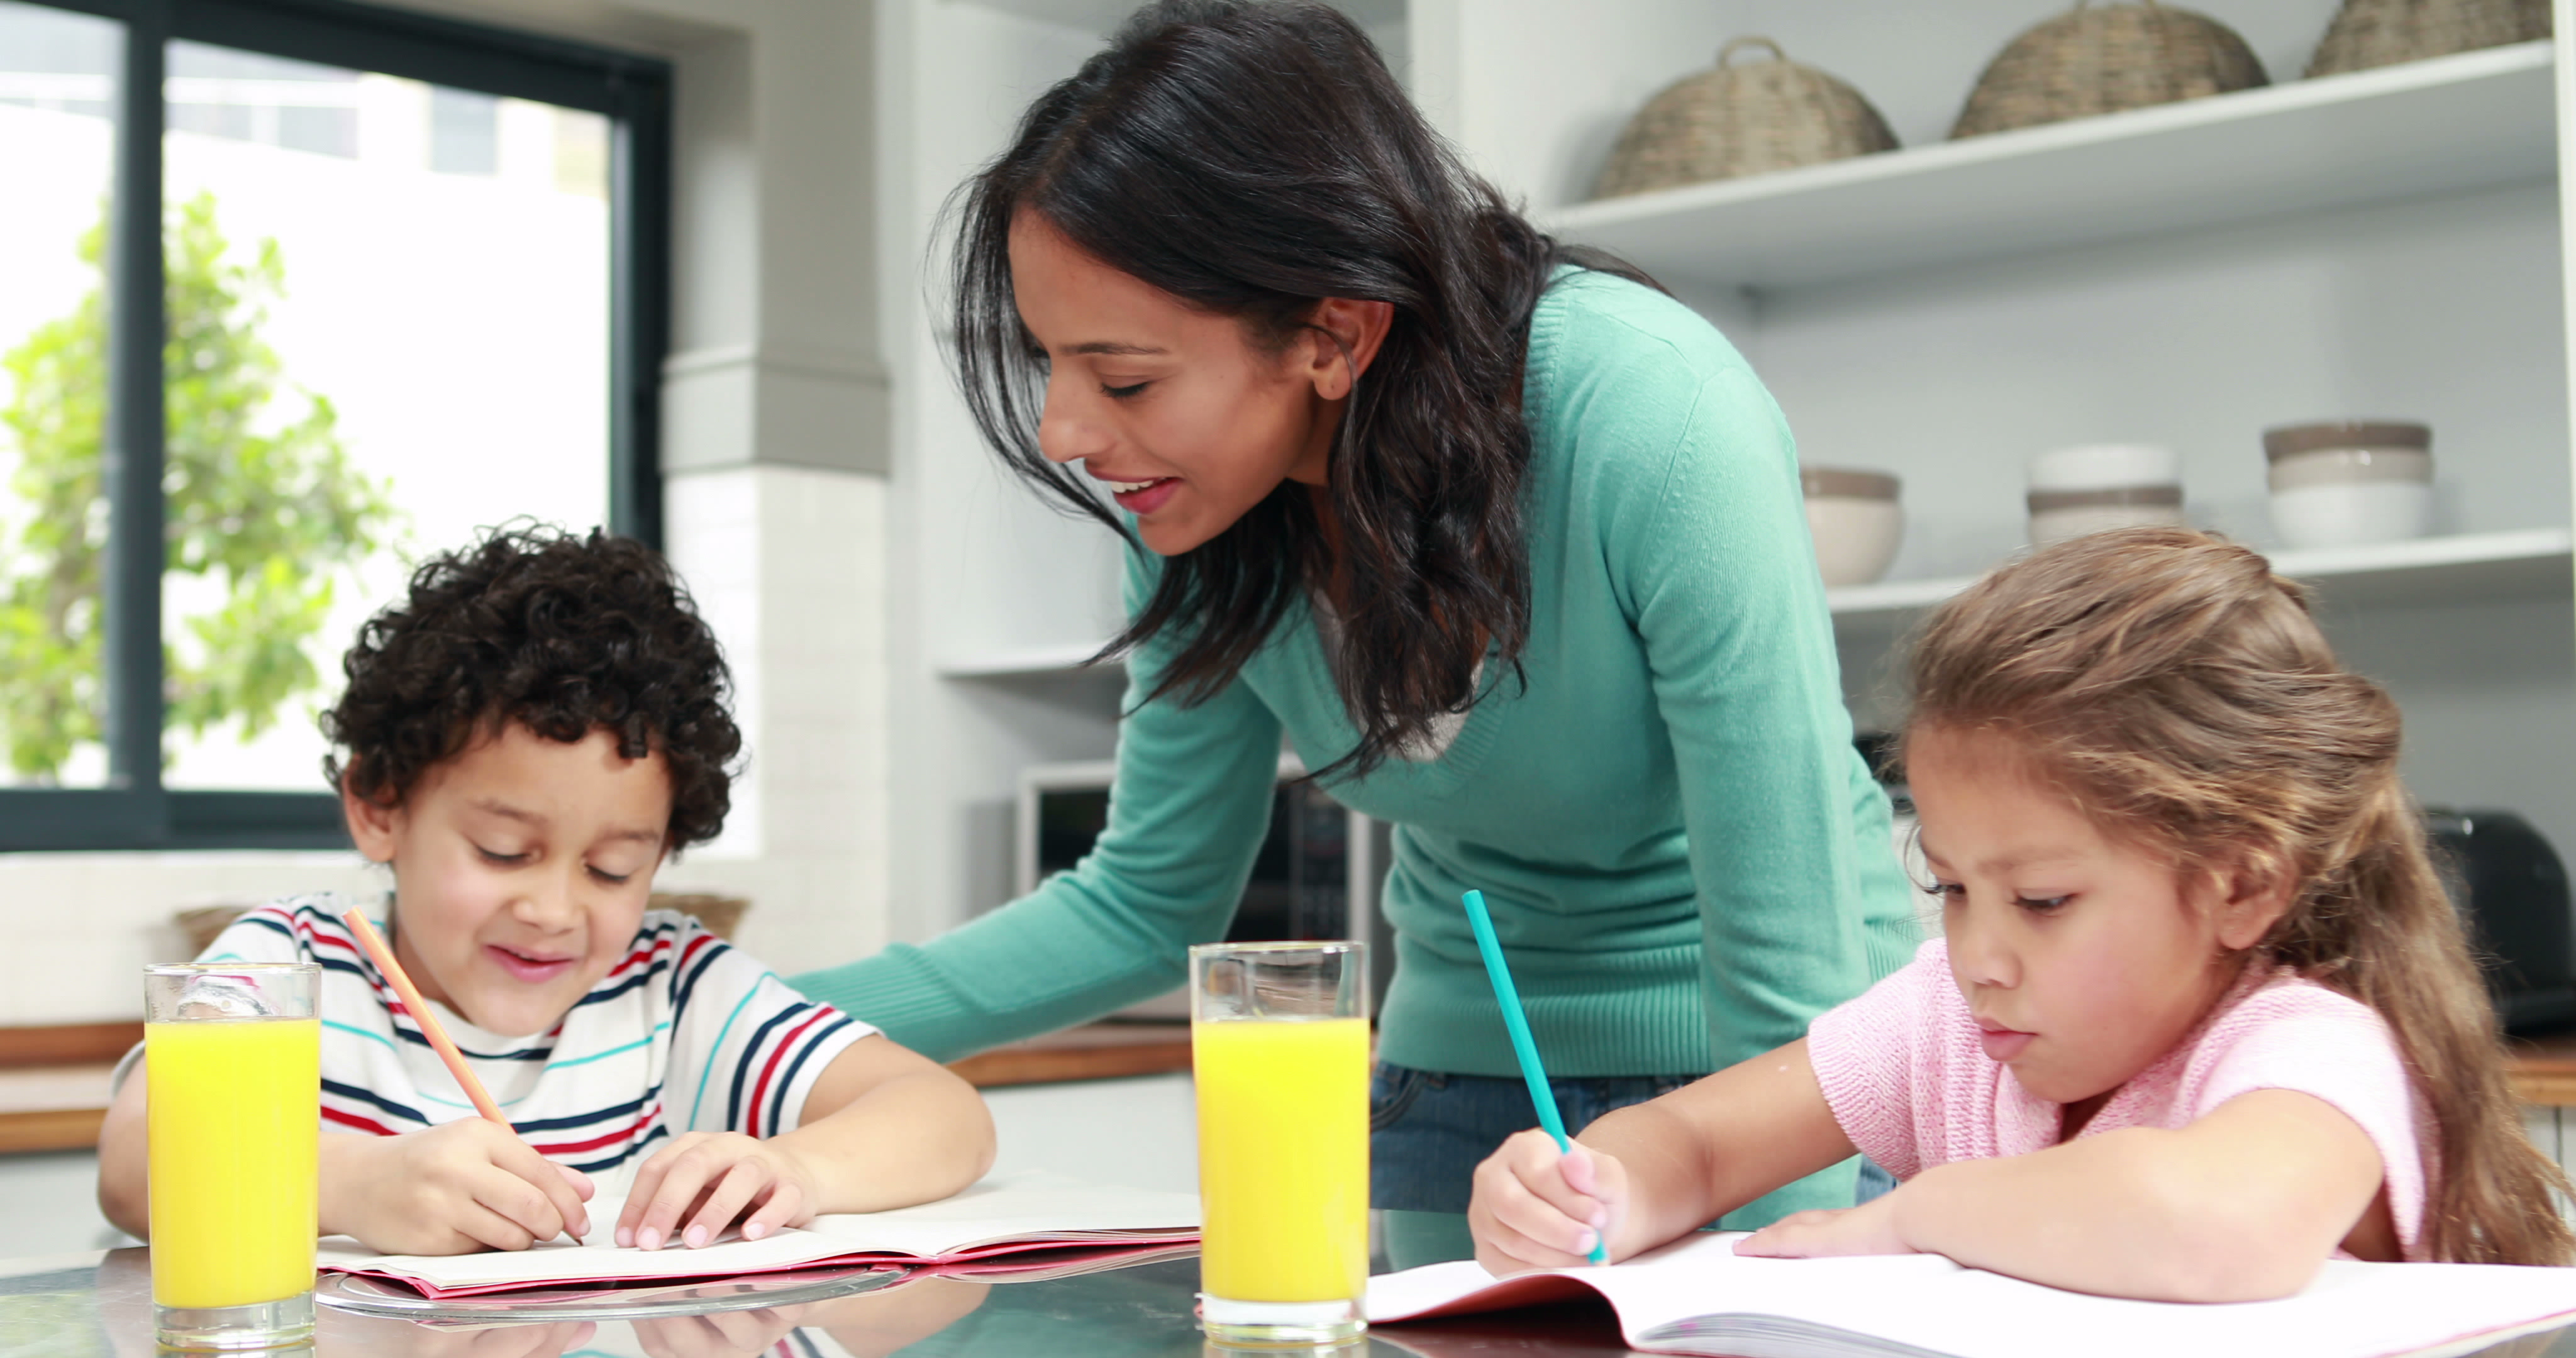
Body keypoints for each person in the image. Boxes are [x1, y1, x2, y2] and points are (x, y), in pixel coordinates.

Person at [788, 0, 1916, 1223]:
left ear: (1333, 333)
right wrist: (723, 1024)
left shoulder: (1654, 416)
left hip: (1767, 1068)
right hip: (1457, 1069)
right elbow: (1142, 905)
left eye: (1122, 377)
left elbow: (1787, 961)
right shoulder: (1199, 521)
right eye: (1048, 365)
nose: (1065, 433)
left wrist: (1767, 1265)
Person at [1468, 527, 2576, 1299]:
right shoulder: (1956, 1022)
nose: (1979, 953)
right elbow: (1697, 1146)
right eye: (1950, 888)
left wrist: (1915, 1215)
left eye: (2043, 901)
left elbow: (2216, 1226)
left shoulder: (2310, 1048)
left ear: (2244, 885)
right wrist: (1587, 1191)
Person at [97, 527, 994, 1256]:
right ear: (379, 807)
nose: (556, 911)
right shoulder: (291, 965)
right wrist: (354, 1185)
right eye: (501, 850)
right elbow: (136, 1162)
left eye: (612, 870)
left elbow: (943, 1114)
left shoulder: (670, 987)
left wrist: (798, 1170)